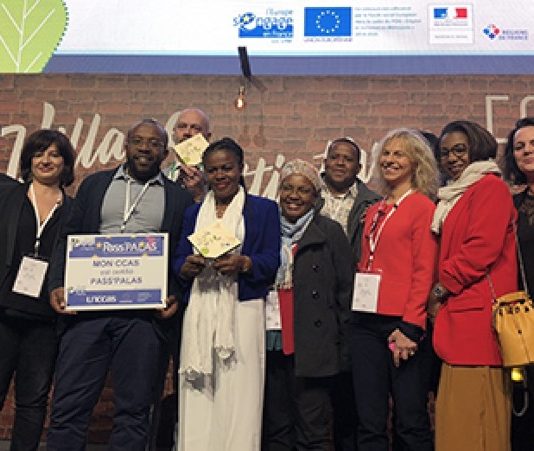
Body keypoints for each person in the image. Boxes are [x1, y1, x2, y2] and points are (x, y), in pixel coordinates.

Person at [46, 119, 192, 451]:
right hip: (87, 312)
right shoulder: (95, 185)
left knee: (135, 411)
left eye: (154, 143)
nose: (145, 148)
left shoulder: (179, 198)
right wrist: (57, 283)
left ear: (165, 153)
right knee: (69, 406)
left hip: (143, 317)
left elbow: (180, 253)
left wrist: (173, 293)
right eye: (138, 141)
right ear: (125, 146)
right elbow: (68, 237)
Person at [174, 137, 280, 451]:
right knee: (198, 389)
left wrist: (245, 263)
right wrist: (186, 266)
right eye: (213, 170)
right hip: (201, 305)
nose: (220, 176)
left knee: (240, 391)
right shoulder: (194, 213)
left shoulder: (263, 209)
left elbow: (272, 259)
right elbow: (178, 259)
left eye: (227, 168)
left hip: (242, 308)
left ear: (241, 168)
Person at [350, 128, 438, 451]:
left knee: (410, 421)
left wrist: (411, 327)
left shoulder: (422, 207)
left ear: (416, 162)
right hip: (365, 324)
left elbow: (424, 271)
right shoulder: (375, 210)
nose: (389, 160)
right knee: (369, 421)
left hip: (402, 325)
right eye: (386, 153)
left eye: (399, 154)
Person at [431, 120, 516, 451]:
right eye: (445, 153)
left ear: (477, 148)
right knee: (458, 427)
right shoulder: (457, 194)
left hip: (479, 327)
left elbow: (481, 249)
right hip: (461, 324)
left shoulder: (489, 188)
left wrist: (441, 287)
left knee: (476, 428)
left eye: (459, 150)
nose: (452, 158)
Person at [262, 159, 353, 450]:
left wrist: (343, 351)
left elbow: (346, 293)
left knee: (313, 431)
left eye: (303, 190)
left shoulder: (330, 232)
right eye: (287, 188)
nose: (294, 196)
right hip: (270, 340)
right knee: (276, 430)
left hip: (314, 346)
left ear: (315, 197)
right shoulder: (265, 230)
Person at [0, 129, 75, 451]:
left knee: (32, 401)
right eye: (39, 153)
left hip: (45, 318)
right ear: (29, 160)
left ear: (65, 163)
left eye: (54, 154)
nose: (46, 160)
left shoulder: (74, 210)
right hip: (3, 311)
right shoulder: (8, 195)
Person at [320, 137, 380, 451]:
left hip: (355, 307)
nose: (340, 163)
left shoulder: (374, 204)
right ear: (325, 162)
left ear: (359, 167)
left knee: (351, 394)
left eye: (348, 159)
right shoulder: (304, 195)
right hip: (314, 302)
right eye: (335, 157)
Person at [503, 117, 534, 451]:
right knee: (523, 407)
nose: (527, 151)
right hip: (523, 321)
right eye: (519, 146)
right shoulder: (510, 205)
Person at [165, 108, 211, 202]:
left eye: (196, 128)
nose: (187, 132)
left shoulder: (215, 176)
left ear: (207, 137)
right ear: (173, 134)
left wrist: (200, 195)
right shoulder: (162, 176)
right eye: (182, 127)